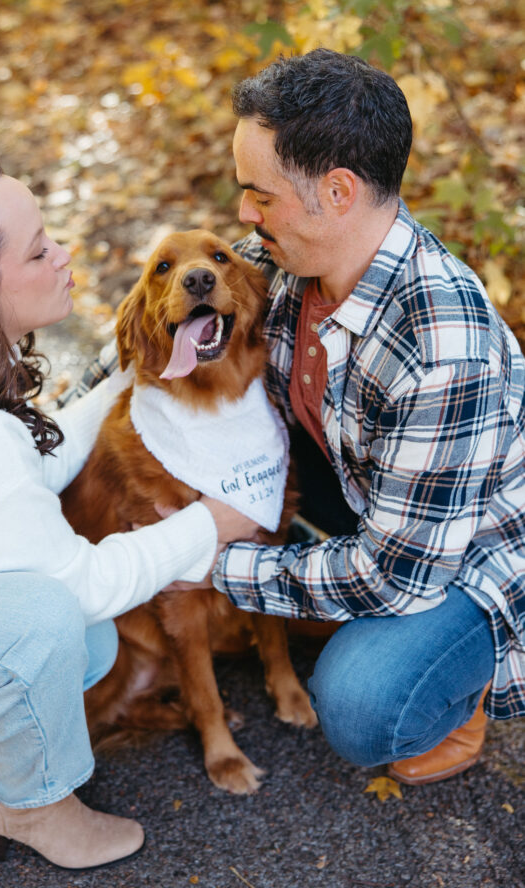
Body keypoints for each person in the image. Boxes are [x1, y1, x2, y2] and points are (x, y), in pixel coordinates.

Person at [75, 49, 525, 785]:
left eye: (260, 195)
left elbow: (393, 577)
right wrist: (48, 433)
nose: (245, 215)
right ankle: (314, 588)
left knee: (361, 701)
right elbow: (143, 335)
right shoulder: (283, 258)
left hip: (456, 556)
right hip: (364, 488)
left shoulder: (444, 348)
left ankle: (460, 691)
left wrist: (205, 559)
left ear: (338, 192)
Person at [0, 167, 257, 870]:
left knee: (87, 643)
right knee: (45, 616)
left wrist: (132, 372)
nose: (63, 255)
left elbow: (25, 471)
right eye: (39, 251)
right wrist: (209, 525)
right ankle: (26, 803)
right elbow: (78, 587)